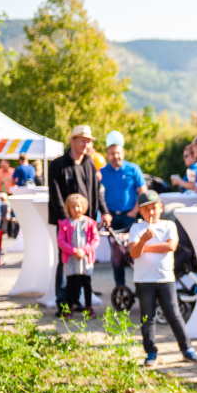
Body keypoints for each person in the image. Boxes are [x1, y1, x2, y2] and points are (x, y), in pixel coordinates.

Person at [127, 190, 197, 366]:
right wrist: (143, 241)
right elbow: (134, 253)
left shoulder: (169, 225)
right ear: (140, 212)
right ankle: (151, 352)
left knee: (174, 315)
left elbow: (171, 246)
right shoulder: (136, 228)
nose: (151, 212)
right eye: (146, 209)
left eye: (154, 208)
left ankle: (187, 349)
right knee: (147, 317)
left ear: (161, 207)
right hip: (144, 280)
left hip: (165, 278)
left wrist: (144, 247)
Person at [49, 125, 111, 308]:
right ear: (72, 141)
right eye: (83, 140)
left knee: (84, 261)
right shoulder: (57, 164)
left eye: (89, 141)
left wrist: (105, 211)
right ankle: (63, 303)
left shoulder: (89, 164)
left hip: (86, 223)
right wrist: (63, 220)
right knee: (65, 261)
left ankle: (79, 301)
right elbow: (55, 194)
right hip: (65, 222)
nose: (86, 144)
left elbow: (97, 192)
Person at [101, 139, 147, 289]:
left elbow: (143, 193)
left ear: (123, 153)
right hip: (112, 218)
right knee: (116, 255)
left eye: (118, 153)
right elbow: (98, 196)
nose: (116, 156)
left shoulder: (133, 169)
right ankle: (120, 287)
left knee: (134, 252)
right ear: (108, 155)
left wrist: (135, 211)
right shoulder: (102, 173)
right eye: (112, 154)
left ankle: (141, 286)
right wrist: (105, 214)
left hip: (130, 217)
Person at [56, 193, 99, 316]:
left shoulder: (90, 223)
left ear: (84, 207)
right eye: (73, 207)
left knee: (87, 284)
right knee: (71, 284)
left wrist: (85, 251)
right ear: (68, 208)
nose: (76, 209)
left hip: (85, 259)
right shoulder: (65, 224)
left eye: (79, 206)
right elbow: (61, 241)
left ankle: (88, 306)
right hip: (71, 259)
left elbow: (95, 240)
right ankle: (69, 307)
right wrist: (74, 251)